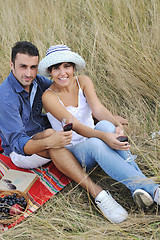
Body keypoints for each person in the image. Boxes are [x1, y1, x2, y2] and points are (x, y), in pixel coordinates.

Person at [0, 41, 129, 224]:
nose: (28, 73)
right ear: (11, 65)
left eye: (33, 67)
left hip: (46, 132)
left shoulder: (36, 81)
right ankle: (99, 194)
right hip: (21, 150)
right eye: (23, 67)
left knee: (53, 133)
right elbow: (20, 145)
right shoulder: (5, 97)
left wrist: (102, 117)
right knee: (52, 136)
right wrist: (49, 142)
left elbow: (62, 93)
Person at [38, 44, 160, 212]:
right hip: (76, 151)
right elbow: (76, 125)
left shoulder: (84, 82)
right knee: (97, 141)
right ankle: (154, 189)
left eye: (67, 66)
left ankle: (137, 190)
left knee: (105, 125)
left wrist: (117, 127)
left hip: (95, 137)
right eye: (56, 68)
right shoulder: (48, 97)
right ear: (50, 72)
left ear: (73, 68)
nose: (62, 72)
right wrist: (103, 136)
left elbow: (98, 110)